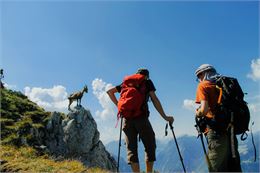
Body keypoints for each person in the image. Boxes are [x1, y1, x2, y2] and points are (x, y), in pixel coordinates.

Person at [107, 68, 174, 173]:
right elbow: (155, 99)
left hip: (127, 119)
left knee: (131, 150)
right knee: (150, 145)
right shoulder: (146, 82)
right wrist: (165, 117)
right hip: (141, 118)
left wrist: (118, 106)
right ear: (146, 76)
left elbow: (109, 92)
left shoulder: (126, 83)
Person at [194, 64, 242, 172]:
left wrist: (197, 113)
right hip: (231, 130)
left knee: (217, 168)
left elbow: (204, 109)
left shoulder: (203, 86)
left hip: (216, 132)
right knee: (234, 166)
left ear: (203, 73)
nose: (199, 79)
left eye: (199, 76)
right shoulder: (223, 84)